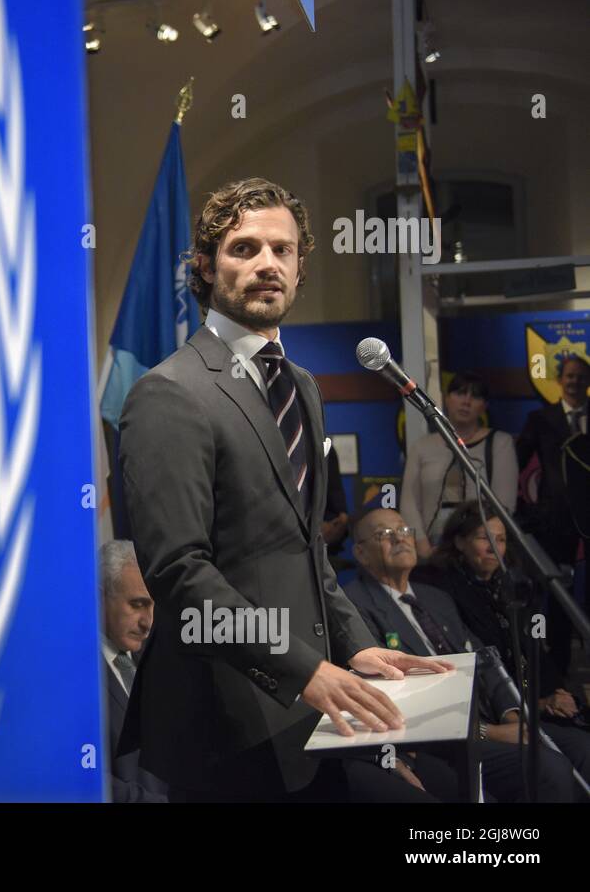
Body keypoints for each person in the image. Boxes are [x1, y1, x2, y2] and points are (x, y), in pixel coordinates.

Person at [117, 177, 450, 802]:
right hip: (225, 720)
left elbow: (308, 552)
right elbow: (180, 572)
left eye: (283, 250)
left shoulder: (303, 385)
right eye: (245, 248)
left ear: (300, 268)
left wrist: (358, 649)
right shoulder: (169, 393)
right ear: (205, 266)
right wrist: (303, 669)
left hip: (311, 712)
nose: (267, 263)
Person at [343, 506, 580, 802]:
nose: (400, 539)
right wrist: (488, 732)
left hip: (493, 718)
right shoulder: (354, 605)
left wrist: (512, 714)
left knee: (581, 749)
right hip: (443, 738)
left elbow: (486, 661)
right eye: (385, 534)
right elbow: (397, 695)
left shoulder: (436, 597)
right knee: (547, 768)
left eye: (404, 531)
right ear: (361, 553)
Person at [416, 502, 590, 781]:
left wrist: (557, 692)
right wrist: (533, 705)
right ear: (460, 542)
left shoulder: (513, 587)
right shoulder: (440, 591)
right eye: (484, 538)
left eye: (500, 539)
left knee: (583, 747)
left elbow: (535, 650)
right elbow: (478, 661)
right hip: (490, 712)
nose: (493, 548)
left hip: (530, 706)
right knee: (553, 762)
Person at [516, 352, 590, 682]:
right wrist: (532, 515)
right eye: (569, 376)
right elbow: (515, 465)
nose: (575, 381)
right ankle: (559, 683)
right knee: (559, 606)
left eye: (581, 376)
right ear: (560, 381)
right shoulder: (540, 419)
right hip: (555, 529)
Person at [400, 371, 517, 559]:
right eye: (460, 393)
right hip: (430, 548)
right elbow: (409, 502)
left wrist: (476, 545)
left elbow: (505, 504)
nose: (466, 401)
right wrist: (422, 546)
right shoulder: (422, 447)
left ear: (484, 406)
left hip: (480, 549)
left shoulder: (500, 443)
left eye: (475, 396)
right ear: (447, 399)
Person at [98, 539, 167, 802]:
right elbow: (79, 776)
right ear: (98, 597)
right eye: (137, 605)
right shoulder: (74, 674)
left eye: (152, 606)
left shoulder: (156, 664)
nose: (147, 622)